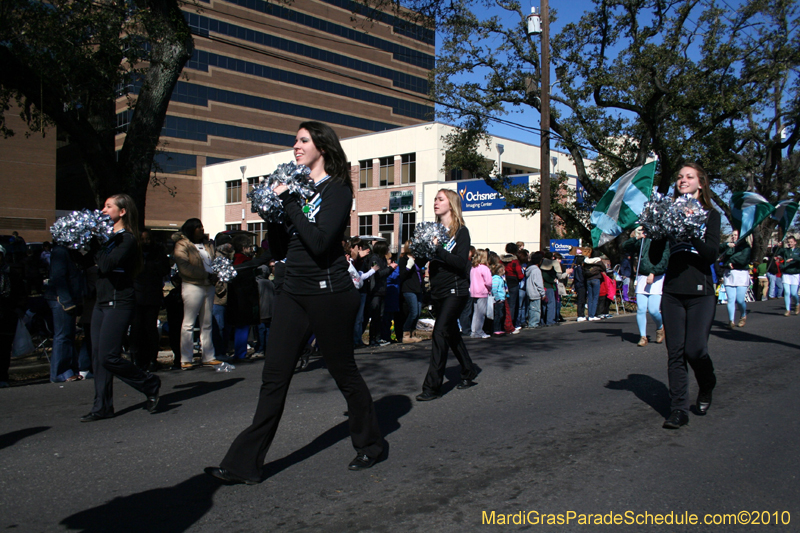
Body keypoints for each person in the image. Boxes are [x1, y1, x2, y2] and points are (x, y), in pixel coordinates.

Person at [205, 121, 384, 484]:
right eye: (295, 140)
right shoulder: (296, 189)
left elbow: (319, 244)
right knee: (273, 377)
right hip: (294, 293)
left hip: (330, 293)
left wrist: (288, 201)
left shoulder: (337, 190)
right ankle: (244, 464)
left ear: (322, 145)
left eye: (303, 140)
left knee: (343, 372)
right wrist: (273, 213)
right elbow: (282, 248)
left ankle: (372, 444)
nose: (296, 145)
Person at [648, 163, 720, 429]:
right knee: (675, 353)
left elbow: (711, 254)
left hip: (701, 292)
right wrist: (656, 231)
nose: (682, 180)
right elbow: (656, 258)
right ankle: (678, 409)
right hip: (672, 293)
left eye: (689, 176)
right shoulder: (668, 213)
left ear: (700, 183)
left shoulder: (711, 214)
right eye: (679, 177)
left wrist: (691, 232)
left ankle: (707, 383)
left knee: (696, 350)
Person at [81, 194, 161, 421]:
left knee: (108, 356)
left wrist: (96, 243)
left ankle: (149, 383)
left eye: (108, 206)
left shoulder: (127, 239)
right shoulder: (109, 237)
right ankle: (102, 406)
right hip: (101, 302)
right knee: (98, 358)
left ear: (122, 211)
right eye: (103, 206)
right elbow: (89, 263)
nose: (103, 210)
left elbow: (106, 265)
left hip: (119, 301)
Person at [416, 189, 479, 401]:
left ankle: (432, 387)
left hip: (456, 290)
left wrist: (439, 250)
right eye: (435, 199)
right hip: (438, 290)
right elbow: (425, 260)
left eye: (440, 199)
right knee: (451, 333)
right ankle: (468, 370)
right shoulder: (433, 230)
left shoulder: (461, 231)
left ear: (450, 204)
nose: (435, 202)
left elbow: (461, 263)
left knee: (440, 333)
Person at [172, 219, 223, 370]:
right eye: (198, 227)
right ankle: (186, 358)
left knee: (206, 323)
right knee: (188, 323)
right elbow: (184, 267)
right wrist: (205, 275)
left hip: (208, 286)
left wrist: (216, 274)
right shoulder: (182, 245)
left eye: (202, 227)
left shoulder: (208, 245)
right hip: (192, 286)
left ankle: (208, 356)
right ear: (190, 229)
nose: (201, 229)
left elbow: (214, 261)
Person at [44, 244, 86, 382]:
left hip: (69, 298)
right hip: (61, 299)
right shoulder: (60, 251)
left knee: (69, 335)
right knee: (62, 336)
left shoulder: (70, 252)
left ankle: (69, 369)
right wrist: (66, 301)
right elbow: (58, 277)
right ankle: (60, 372)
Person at [130, 230, 170, 370]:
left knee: (150, 328)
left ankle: (152, 359)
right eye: (142, 239)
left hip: (152, 294)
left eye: (148, 239)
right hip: (136, 294)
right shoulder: (134, 253)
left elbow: (164, 269)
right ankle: (136, 358)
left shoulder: (157, 253)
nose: (145, 242)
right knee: (136, 328)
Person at [623, 227, 669, 346]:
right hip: (642, 276)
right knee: (641, 309)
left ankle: (660, 327)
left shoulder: (664, 240)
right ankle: (643, 336)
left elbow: (664, 260)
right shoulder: (644, 241)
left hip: (657, 277)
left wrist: (653, 272)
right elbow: (625, 247)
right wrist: (636, 238)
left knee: (654, 310)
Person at [0, 244, 26, 388]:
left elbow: (21, 293)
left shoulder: (11, 274)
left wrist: (19, 309)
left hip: (7, 316)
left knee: (4, 348)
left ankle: (3, 376)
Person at [719, 229, 752, 328]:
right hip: (729, 275)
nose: (734, 237)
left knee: (740, 299)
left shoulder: (746, 247)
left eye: (736, 235)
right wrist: (726, 245)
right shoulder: (728, 246)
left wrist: (729, 260)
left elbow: (743, 260)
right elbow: (717, 250)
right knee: (731, 299)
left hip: (741, 274)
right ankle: (731, 320)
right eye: (732, 235)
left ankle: (743, 315)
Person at [398, 242, 423, 343]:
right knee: (413, 312)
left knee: (418, 312)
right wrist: (408, 267)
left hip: (418, 288)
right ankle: (406, 333)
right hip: (408, 289)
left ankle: (412, 333)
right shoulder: (403, 260)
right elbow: (402, 275)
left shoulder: (417, 258)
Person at [469, 248, 492, 338]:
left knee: (476, 313)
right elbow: (489, 282)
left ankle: (474, 331)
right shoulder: (484, 268)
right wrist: (489, 289)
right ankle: (479, 331)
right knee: (481, 314)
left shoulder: (473, 268)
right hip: (482, 292)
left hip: (474, 292)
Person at [775, 235, 800, 316]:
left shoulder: (798, 250)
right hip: (786, 273)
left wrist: (793, 259)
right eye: (788, 242)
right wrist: (777, 246)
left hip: (795, 273)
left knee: (793, 293)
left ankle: (797, 304)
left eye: (791, 242)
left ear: (795, 242)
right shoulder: (785, 250)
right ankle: (787, 309)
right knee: (786, 292)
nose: (790, 244)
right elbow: (775, 252)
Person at [502, 243, 523, 330]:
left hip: (503, 283)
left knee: (504, 304)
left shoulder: (501, 260)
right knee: (512, 305)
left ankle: (503, 323)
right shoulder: (515, 261)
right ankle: (511, 324)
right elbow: (520, 275)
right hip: (513, 283)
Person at [524, 251, 545, 328]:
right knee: (536, 310)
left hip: (529, 291)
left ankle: (531, 322)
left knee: (531, 308)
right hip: (535, 292)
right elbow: (539, 283)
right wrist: (543, 293)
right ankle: (533, 324)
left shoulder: (529, 269)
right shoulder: (536, 270)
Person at [583, 252, 605, 321]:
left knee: (590, 297)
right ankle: (593, 315)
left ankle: (589, 315)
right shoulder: (599, 262)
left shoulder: (586, 261)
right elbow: (604, 268)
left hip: (588, 279)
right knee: (595, 297)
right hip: (596, 279)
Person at [490, 259, 508, 336]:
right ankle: (496, 329)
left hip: (501, 299)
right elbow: (494, 289)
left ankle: (499, 328)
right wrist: (497, 299)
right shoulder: (496, 279)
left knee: (501, 315)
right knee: (498, 315)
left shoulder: (500, 278)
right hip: (499, 300)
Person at [572, 253, 587, 322]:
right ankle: (580, 314)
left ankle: (581, 314)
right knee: (581, 300)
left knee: (581, 300)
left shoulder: (576, 268)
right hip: (581, 285)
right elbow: (581, 278)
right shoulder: (580, 269)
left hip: (578, 285)